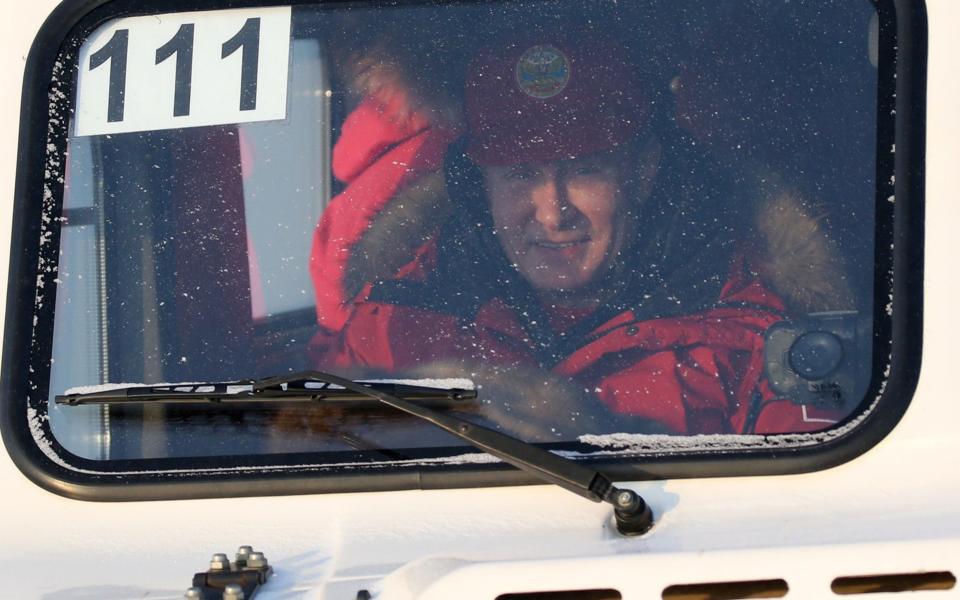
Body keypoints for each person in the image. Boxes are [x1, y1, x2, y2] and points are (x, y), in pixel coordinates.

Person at [307, 33, 853, 440]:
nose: (553, 213)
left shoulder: (759, 339)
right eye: (520, 174)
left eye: (585, 169)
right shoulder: (392, 322)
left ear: (643, 172)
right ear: (479, 184)